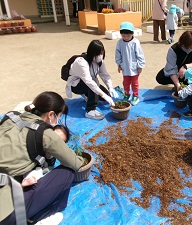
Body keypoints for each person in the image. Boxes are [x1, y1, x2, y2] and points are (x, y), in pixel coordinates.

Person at [0, 91, 84, 225]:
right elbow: (75, 163)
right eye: (59, 116)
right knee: (67, 173)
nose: (57, 121)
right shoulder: (46, 134)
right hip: (5, 212)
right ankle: (38, 218)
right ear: (51, 115)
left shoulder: (10, 117)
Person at [66, 40, 118, 120]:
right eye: (98, 54)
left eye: (102, 53)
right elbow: (89, 82)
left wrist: (110, 87)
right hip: (76, 85)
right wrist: (103, 95)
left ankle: (87, 94)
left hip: (90, 84)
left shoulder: (99, 61)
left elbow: (104, 75)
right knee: (95, 87)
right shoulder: (81, 62)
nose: (100, 56)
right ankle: (90, 110)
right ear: (92, 53)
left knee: (105, 96)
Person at [115, 22, 145, 106]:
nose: (126, 37)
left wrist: (140, 66)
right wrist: (119, 65)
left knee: (134, 83)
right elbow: (118, 55)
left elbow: (140, 54)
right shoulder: (120, 43)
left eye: (128, 36)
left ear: (132, 34)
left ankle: (135, 95)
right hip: (125, 67)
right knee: (126, 83)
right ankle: (126, 94)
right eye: (124, 36)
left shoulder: (135, 42)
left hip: (134, 68)